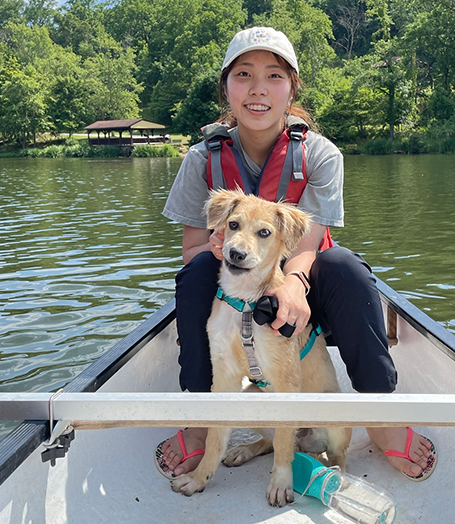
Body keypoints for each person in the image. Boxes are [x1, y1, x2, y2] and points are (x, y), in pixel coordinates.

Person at [156, 26, 437, 482]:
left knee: (345, 266)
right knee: (196, 273)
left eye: (274, 76)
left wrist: (292, 286)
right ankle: (201, 417)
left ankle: (381, 417)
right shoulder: (200, 159)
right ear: (226, 86)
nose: (258, 89)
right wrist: (216, 245)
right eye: (244, 74)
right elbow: (191, 249)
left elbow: (309, 246)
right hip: (235, 286)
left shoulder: (320, 154)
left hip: (304, 285)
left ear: (292, 88)